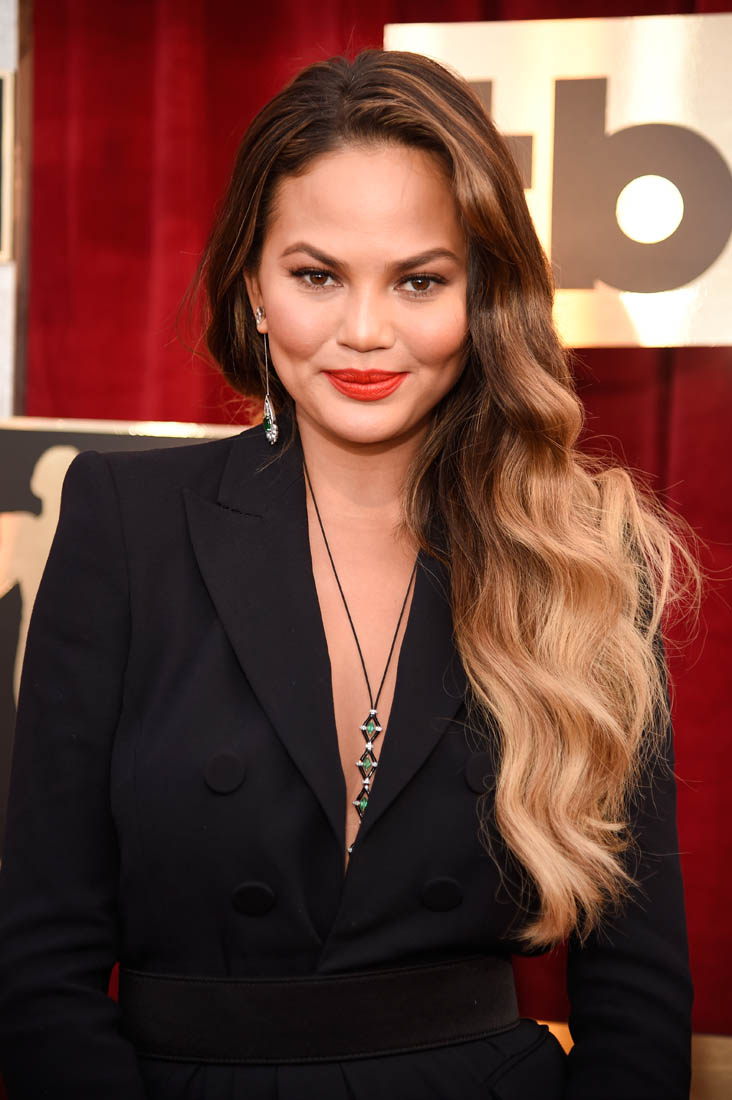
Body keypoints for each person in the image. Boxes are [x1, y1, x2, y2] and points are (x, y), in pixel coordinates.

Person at [0, 48, 700, 1100]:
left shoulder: (583, 553)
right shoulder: (124, 521)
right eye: (317, 274)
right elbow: (41, 956)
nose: (365, 331)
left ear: (483, 295)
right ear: (254, 286)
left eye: (420, 280)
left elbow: (636, 987)